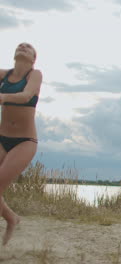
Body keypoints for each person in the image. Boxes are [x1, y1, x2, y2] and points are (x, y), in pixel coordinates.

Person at [0, 42, 42, 245]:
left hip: (25, 141)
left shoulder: (35, 75)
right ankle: (12, 218)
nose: (23, 46)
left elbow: (26, 95)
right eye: (20, 45)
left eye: (28, 47)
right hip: (2, 139)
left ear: (33, 59)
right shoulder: (4, 75)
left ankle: (11, 218)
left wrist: (3, 96)